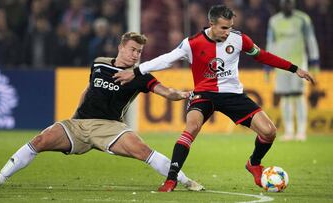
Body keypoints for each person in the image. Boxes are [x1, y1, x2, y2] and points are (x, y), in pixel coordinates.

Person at [113, 5, 316, 192]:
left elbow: (262, 55)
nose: (227, 32)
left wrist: (294, 68)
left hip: (232, 94)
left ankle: (254, 163)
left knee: (269, 132)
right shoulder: (191, 43)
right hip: (204, 94)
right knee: (191, 128)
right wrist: (137, 71)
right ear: (211, 25)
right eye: (223, 28)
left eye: (230, 27)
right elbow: (165, 59)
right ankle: (171, 179)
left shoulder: (239, 39)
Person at [0, 32, 204, 191]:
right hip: (79, 124)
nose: (136, 55)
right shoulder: (99, 63)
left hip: (110, 127)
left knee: (143, 150)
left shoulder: (140, 76)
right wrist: (75, 115)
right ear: (121, 47)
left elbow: (166, 92)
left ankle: (185, 181)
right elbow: (88, 89)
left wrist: (183, 94)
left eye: (140, 51)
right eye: (133, 49)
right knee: (40, 140)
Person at [265, 0, 320, 141]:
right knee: (285, 97)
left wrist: (314, 61)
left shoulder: (303, 19)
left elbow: (311, 40)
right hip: (281, 66)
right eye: (285, 3)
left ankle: (301, 131)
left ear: (293, 4)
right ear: (281, 5)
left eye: (289, 3)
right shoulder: (274, 21)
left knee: (299, 96)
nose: (287, 6)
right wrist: (267, 65)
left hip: (299, 65)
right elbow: (271, 42)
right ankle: (289, 131)